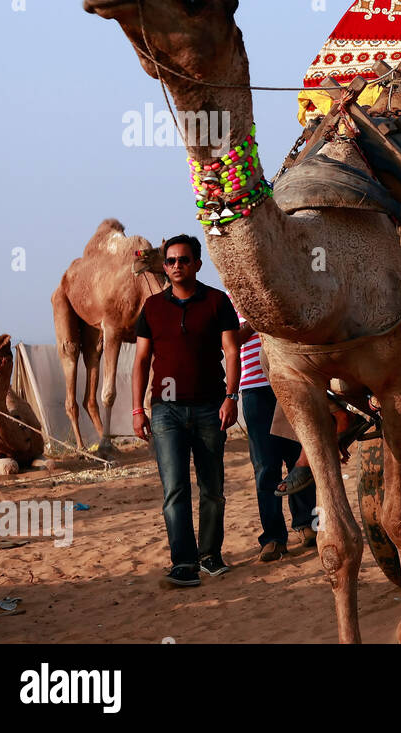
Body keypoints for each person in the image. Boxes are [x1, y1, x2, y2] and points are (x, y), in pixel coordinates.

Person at [131, 234, 240, 588]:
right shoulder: (151, 308)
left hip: (211, 406)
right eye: (171, 261)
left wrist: (231, 396)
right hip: (166, 411)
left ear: (196, 263)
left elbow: (231, 350)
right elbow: (142, 361)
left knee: (212, 487)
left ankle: (210, 555)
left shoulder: (216, 302)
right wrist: (137, 409)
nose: (177, 266)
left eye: (184, 260)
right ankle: (183, 562)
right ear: (164, 267)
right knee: (175, 489)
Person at [236, 313, 316, 562]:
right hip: (255, 388)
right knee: (264, 465)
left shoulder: (277, 288)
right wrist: (254, 319)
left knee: (298, 458)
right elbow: (229, 340)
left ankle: (307, 525)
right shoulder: (229, 299)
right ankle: (273, 537)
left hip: (290, 380)